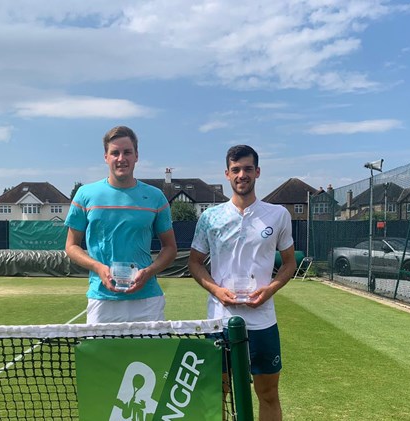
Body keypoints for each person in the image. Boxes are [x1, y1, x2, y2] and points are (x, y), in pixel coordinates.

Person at [188, 145, 296, 421]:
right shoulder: (209, 217)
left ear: (257, 172)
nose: (242, 175)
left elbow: (289, 263)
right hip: (219, 320)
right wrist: (216, 290)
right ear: (227, 174)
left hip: (262, 320)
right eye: (236, 170)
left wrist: (269, 289)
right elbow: (195, 262)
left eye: (248, 169)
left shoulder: (278, 214)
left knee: (269, 394)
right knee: (217, 394)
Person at [64, 126, 177, 324]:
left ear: (136, 156)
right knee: (101, 356)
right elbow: (71, 246)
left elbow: (170, 247)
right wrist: (98, 268)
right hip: (102, 299)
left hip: (147, 300)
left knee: (151, 356)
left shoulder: (155, 197)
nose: (121, 158)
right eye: (115, 153)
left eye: (127, 152)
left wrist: (148, 272)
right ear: (106, 157)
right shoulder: (84, 194)